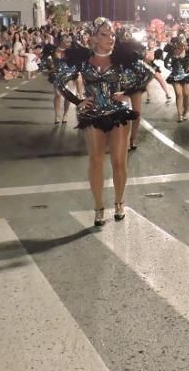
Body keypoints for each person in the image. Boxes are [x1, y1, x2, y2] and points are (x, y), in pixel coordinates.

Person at [52, 18, 152, 226]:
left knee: (118, 162)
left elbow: (147, 74)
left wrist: (128, 93)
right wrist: (78, 101)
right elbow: (59, 79)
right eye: (105, 35)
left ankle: (119, 203)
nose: (110, 39)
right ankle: (98, 207)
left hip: (118, 114)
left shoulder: (122, 58)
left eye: (113, 35)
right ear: (94, 38)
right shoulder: (83, 59)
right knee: (96, 161)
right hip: (93, 114)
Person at [165, 38, 189, 122]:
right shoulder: (172, 52)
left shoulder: (188, 51)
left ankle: (185, 113)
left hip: (187, 75)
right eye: (178, 43)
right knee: (179, 94)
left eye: (182, 43)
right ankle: (180, 115)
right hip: (175, 75)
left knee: (186, 94)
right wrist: (171, 68)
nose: (180, 44)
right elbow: (166, 62)